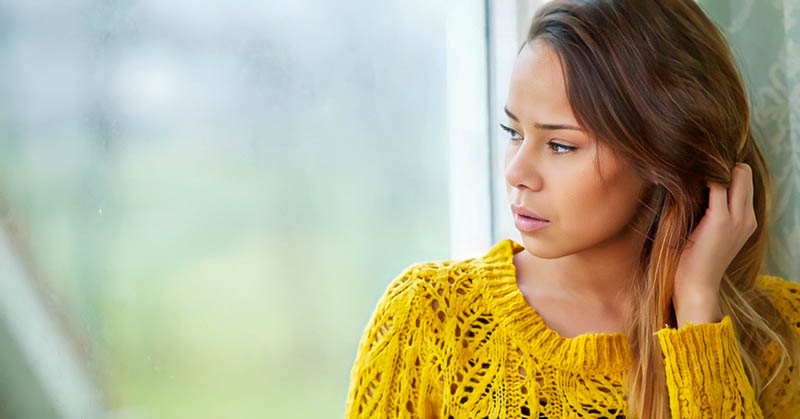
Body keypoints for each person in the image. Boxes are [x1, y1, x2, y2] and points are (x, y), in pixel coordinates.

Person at [344, 1, 800, 418]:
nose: (517, 172)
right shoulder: (428, 319)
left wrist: (699, 305)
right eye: (514, 132)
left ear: (665, 157)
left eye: (560, 145)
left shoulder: (782, 335)